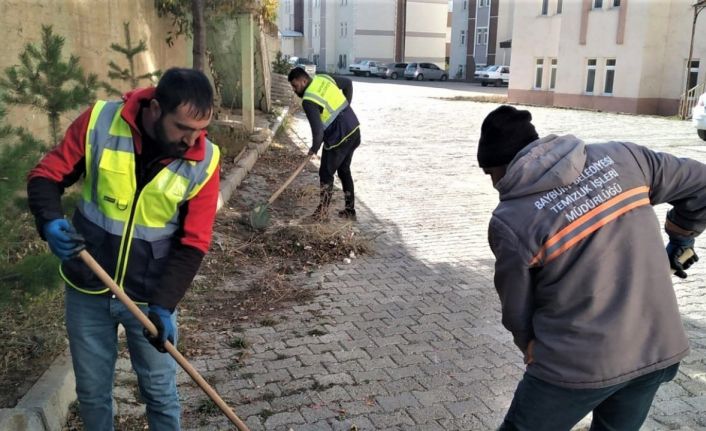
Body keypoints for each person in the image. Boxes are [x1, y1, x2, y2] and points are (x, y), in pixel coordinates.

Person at [478, 105, 702, 430]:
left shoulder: (510, 220)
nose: (494, 185)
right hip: (655, 349)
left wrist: (528, 343)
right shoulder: (624, 157)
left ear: (500, 166)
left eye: (490, 174)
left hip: (573, 367)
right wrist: (682, 236)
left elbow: (516, 308)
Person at [27, 68, 220, 430]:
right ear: (156, 109)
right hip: (88, 284)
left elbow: (194, 243)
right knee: (93, 393)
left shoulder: (204, 160)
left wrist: (164, 306)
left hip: (150, 295)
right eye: (183, 128)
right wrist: (50, 220)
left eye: (200, 130)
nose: (191, 140)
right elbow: (46, 176)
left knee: (161, 392)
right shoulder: (100, 122)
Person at [288, 67, 361, 220]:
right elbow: (348, 83)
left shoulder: (308, 100)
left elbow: (318, 132)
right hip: (354, 129)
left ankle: (322, 213)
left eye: (295, 86)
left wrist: (313, 149)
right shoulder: (323, 78)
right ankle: (350, 210)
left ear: (304, 80)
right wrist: (345, 108)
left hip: (338, 138)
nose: (295, 90)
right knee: (343, 170)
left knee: (326, 173)